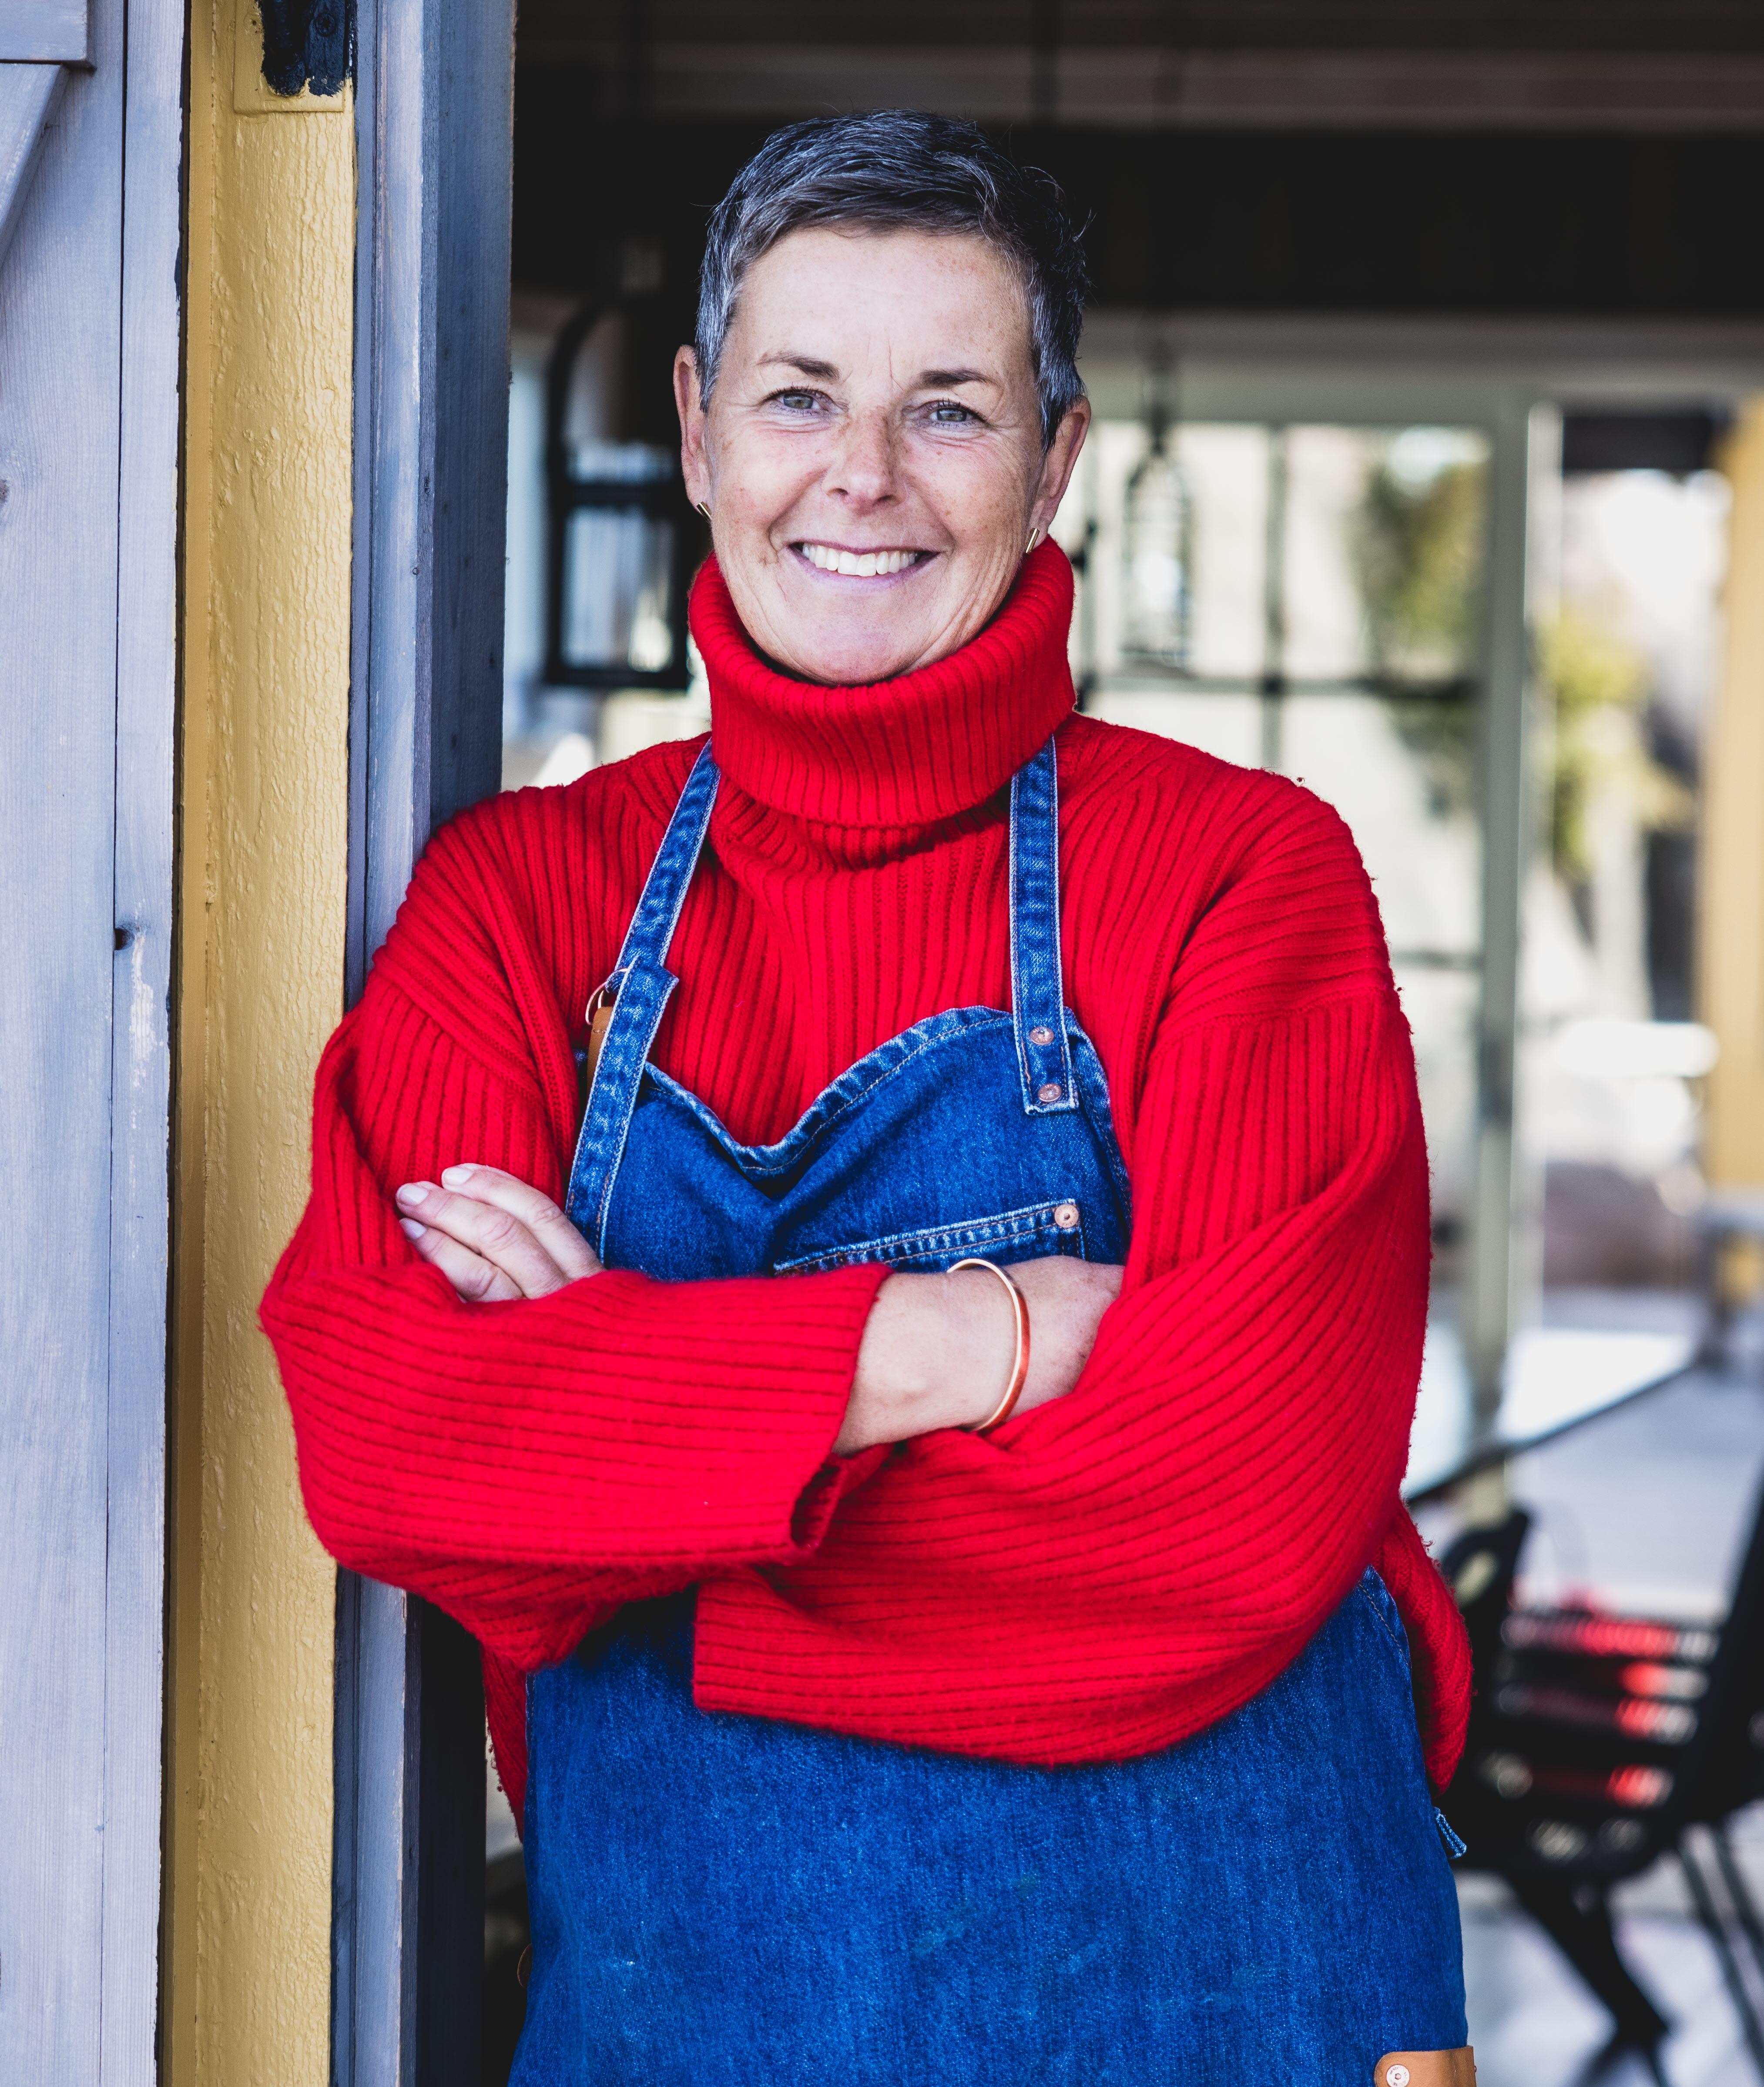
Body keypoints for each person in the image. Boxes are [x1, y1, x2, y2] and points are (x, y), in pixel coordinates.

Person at [265, 109, 1476, 2085]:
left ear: (1059, 457)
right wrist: (976, 1340)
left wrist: (639, 1488)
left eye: (952, 411)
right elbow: (399, 1450)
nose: (863, 477)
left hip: (1233, 2012)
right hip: (704, 2016)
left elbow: (1237, 1517)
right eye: (801, 394)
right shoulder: (522, 899)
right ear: (696, 425)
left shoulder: (1241, 876)